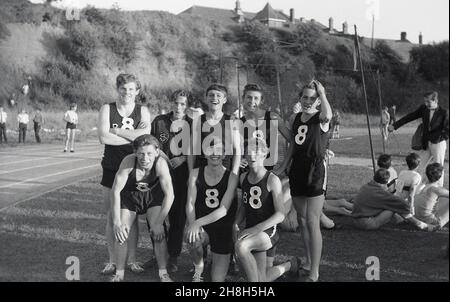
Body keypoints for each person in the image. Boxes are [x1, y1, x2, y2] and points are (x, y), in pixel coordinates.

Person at [276, 80, 332, 282]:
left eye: (312, 97)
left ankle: (314, 271)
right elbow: (292, 143)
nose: (308, 101)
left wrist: (323, 93)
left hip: (315, 171)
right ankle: (308, 260)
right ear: (300, 98)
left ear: (318, 100)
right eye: (305, 97)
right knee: (301, 219)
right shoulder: (296, 117)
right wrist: (284, 166)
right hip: (297, 170)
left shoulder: (321, 117)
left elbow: (328, 114)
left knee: (312, 220)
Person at [97, 73, 151, 275]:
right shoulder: (107, 108)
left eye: (131, 89)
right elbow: (103, 137)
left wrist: (117, 131)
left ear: (137, 91)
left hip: (135, 168)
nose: (127, 92)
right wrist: (133, 139)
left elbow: (145, 137)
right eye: (123, 88)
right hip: (111, 167)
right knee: (112, 215)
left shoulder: (142, 110)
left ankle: (132, 260)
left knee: (133, 216)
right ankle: (112, 260)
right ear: (117, 89)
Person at [110, 134, 174, 282]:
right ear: (135, 152)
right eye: (141, 154)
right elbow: (115, 191)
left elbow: (170, 195)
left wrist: (158, 223)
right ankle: (119, 274)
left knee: (159, 233)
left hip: (152, 198)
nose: (145, 158)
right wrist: (116, 222)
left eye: (149, 153)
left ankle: (163, 273)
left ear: (157, 152)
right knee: (122, 232)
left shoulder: (160, 164)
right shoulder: (128, 162)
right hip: (130, 198)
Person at [234, 138, 297, 282]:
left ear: (264, 154)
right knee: (261, 279)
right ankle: (289, 265)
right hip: (252, 232)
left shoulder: (272, 179)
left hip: (268, 231)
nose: (252, 155)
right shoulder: (243, 177)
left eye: (256, 151)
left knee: (241, 246)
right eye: (248, 152)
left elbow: (281, 214)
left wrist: (257, 228)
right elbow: (244, 206)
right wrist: (236, 223)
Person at [151, 89, 193, 272]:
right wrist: (164, 158)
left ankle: (173, 256)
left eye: (183, 104)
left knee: (177, 219)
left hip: (181, 177)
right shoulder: (159, 121)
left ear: (187, 106)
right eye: (176, 103)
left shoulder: (193, 124)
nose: (178, 107)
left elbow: (197, 150)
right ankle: (159, 253)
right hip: (159, 176)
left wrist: (183, 158)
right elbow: (151, 145)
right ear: (171, 103)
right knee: (156, 216)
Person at [185, 140, 238, 282]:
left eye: (219, 150)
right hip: (203, 226)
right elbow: (190, 202)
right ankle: (199, 267)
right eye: (210, 150)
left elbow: (223, 210)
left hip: (223, 227)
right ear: (204, 153)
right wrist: (193, 225)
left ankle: (226, 257)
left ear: (225, 154)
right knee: (193, 239)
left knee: (217, 280)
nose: (215, 154)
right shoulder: (195, 173)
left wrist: (197, 223)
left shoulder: (232, 176)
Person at [389, 91, 449, 187]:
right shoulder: (423, 109)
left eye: (428, 102)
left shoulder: (444, 112)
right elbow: (410, 117)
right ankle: (415, 189)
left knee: (438, 167)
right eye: (425, 101)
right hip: (425, 143)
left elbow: (448, 130)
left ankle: (438, 192)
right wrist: (395, 125)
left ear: (435, 100)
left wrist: (440, 137)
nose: (426, 104)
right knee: (420, 166)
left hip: (438, 144)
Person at [352, 169, 434, 231]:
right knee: (394, 207)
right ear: (386, 181)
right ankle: (421, 225)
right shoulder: (381, 193)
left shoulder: (366, 186)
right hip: (366, 223)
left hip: (355, 220)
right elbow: (402, 204)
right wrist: (410, 207)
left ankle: (407, 221)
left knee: (393, 205)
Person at [190, 83, 240, 175]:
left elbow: (237, 150)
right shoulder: (198, 121)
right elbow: (192, 151)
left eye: (218, 95)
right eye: (211, 95)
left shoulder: (231, 121)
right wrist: (190, 174)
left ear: (224, 100)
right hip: (202, 169)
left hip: (224, 169)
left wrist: (234, 174)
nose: (214, 98)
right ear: (206, 98)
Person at [239, 84, 291, 172]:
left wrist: (282, 167)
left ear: (261, 100)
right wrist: (238, 160)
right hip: (246, 174)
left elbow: (293, 141)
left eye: (256, 98)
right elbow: (236, 150)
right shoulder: (239, 123)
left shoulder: (273, 117)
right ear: (243, 98)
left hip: (267, 173)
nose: (252, 101)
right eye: (249, 97)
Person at [414, 163, 449, 229]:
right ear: (440, 176)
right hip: (432, 223)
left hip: (417, 218)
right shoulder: (436, 190)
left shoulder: (421, 186)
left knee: (442, 199)